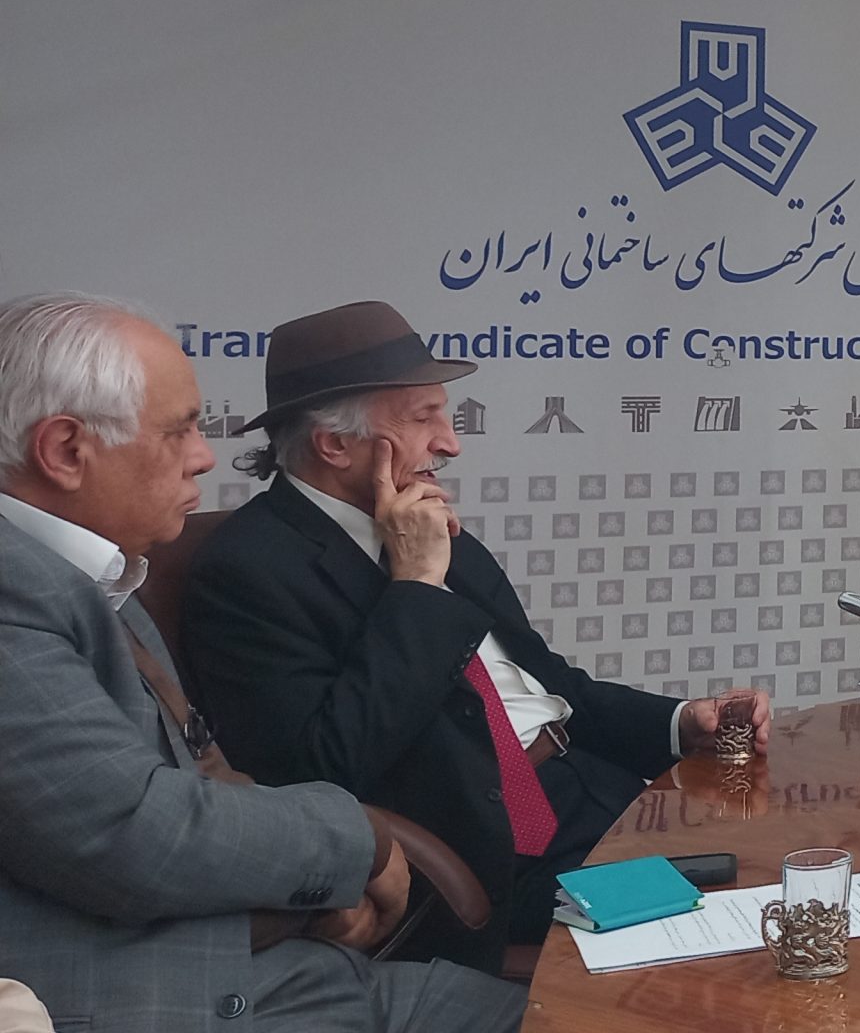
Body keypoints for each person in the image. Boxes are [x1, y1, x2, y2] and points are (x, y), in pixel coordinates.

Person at [183, 301, 772, 974]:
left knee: (786, 877)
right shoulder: (248, 570)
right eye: (423, 418)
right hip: (487, 854)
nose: (450, 443)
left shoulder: (431, 526)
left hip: (593, 798)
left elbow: (551, 685)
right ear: (334, 445)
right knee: (735, 946)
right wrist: (416, 588)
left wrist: (681, 722)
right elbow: (323, 769)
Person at [0, 292, 522, 1033]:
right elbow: (129, 829)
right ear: (64, 451)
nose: (205, 456)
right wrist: (359, 842)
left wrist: (302, 900)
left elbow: (201, 770)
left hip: (276, 958)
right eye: (180, 431)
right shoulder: (17, 589)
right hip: (158, 993)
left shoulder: (103, 574)